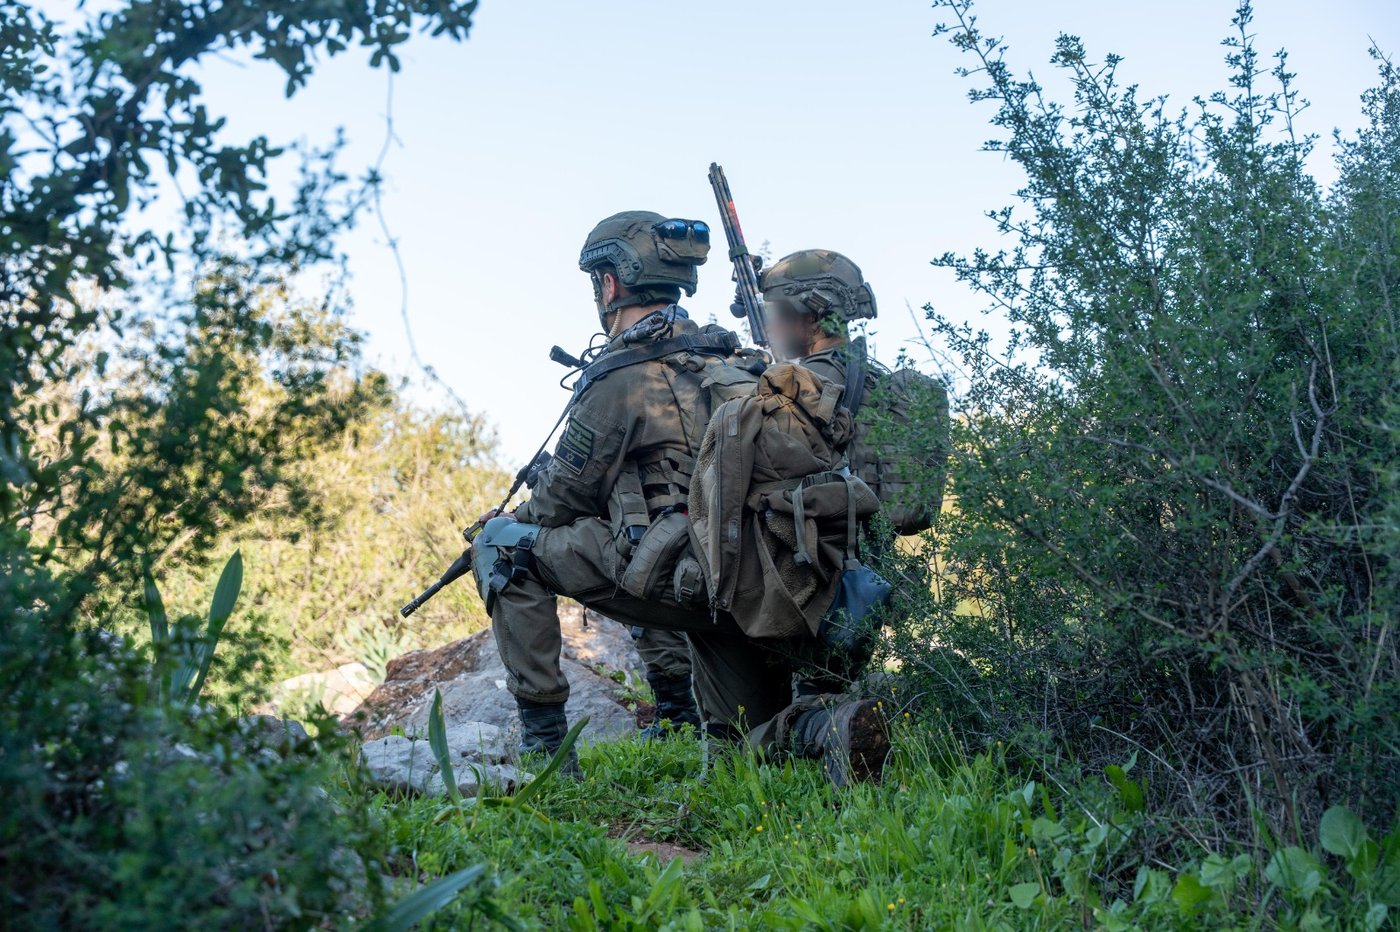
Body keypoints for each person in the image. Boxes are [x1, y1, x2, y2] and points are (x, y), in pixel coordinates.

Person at [470, 211, 889, 784]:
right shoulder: (739, 363)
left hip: (694, 584)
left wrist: (509, 521)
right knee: (736, 757)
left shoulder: (624, 380)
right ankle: (824, 728)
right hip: (762, 584)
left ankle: (547, 755)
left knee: (503, 546)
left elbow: (557, 508)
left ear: (609, 285)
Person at [633, 248, 950, 708]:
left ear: (811, 315)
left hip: (804, 576)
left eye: (777, 313)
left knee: (789, 721)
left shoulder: (801, 388)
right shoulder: (872, 380)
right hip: (865, 577)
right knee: (829, 698)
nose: (772, 325)